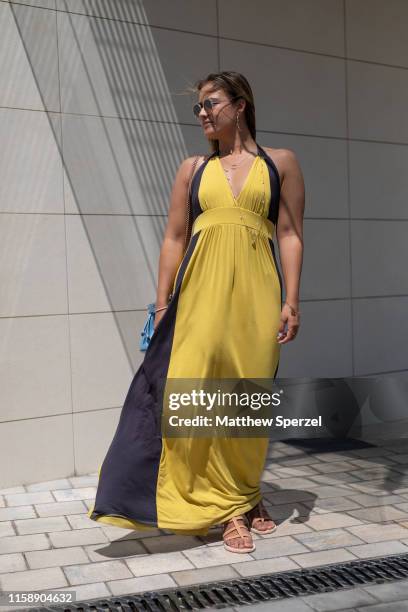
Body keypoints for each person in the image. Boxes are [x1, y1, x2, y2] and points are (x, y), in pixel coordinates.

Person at [88, 71, 305, 554]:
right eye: (199, 108)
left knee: (246, 400)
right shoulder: (192, 169)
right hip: (199, 295)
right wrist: (162, 303)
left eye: (211, 104)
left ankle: (245, 494)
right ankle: (226, 507)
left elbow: (289, 234)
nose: (203, 114)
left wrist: (291, 299)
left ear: (241, 104)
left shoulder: (281, 163)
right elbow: (174, 238)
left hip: (257, 296)